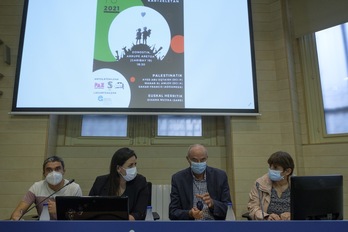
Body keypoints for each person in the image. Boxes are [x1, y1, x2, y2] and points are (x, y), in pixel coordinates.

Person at [169, 144, 232, 220]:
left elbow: (228, 209)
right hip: (190, 227)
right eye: (195, 160)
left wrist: (213, 204)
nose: (199, 163)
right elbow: (173, 212)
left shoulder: (220, 176)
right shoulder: (178, 179)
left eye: (202, 160)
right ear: (188, 159)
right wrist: (190, 213)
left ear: (207, 158)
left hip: (214, 226)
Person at [10, 156, 82, 220]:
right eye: (49, 170)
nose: (53, 173)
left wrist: (60, 209)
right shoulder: (37, 187)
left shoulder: (74, 188)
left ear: (63, 171)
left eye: (57, 169)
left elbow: (79, 216)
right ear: (44, 173)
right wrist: (17, 219)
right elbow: (17, 213)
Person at [89, 147, 149, 220]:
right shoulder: (100, 182)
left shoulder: (140, 182)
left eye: (135, 164)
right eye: (130, 165)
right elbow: (90, 209)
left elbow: (140, 213)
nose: (134, 168)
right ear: (118, 168)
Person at [247, 151, 295, 220]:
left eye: (275, 168)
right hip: (267, 226)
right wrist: (266, 216)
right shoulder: (259, 183)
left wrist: (293, 215)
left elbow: (304, 209)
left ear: (287, 171)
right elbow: (253, 207)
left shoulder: (297, 185)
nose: (271, 170)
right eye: (270, 167)